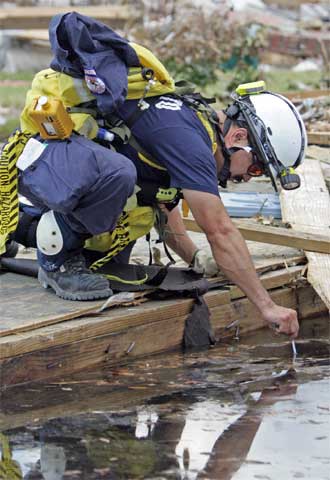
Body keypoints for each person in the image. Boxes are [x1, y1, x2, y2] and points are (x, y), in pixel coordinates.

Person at [2, 12, 306, 339]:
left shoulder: (195, 129)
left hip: (51, 177)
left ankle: (28, 230)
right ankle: (56, 261)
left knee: (129, 220)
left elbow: (164, 200)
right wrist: (266, 306)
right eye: (257, 167)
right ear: (238, 138)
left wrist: (195, 257)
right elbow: (219, 230)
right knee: (119, 174)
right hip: (36, 166)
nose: (249, 178)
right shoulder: (189, 138)